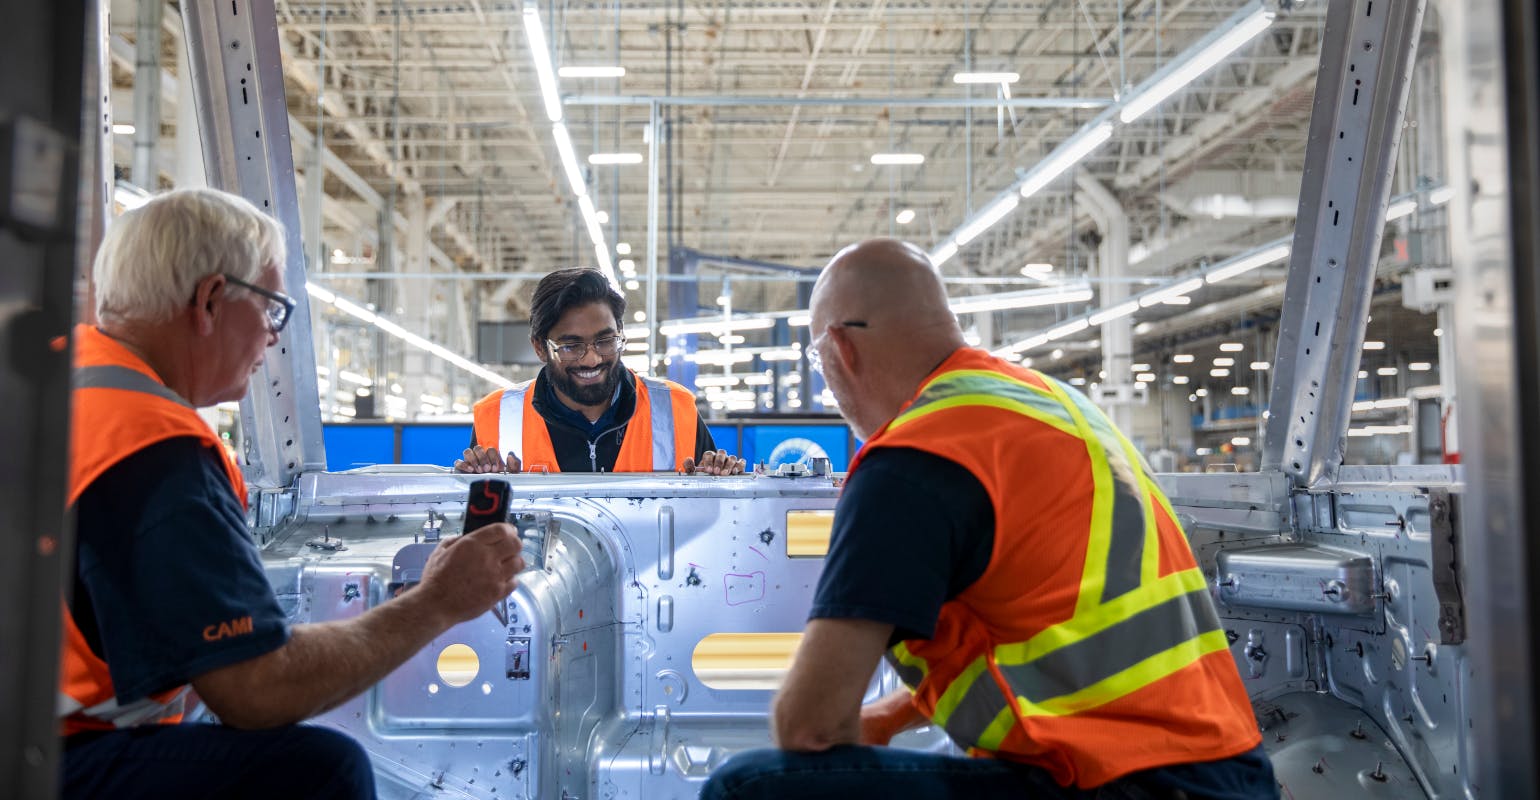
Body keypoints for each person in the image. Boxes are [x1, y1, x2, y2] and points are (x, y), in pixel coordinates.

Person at [700, 240, 1275, 799]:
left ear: (839, 350)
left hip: (1115, 783)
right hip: (1232, 772)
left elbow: (810, 728)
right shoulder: (1053, 404)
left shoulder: (911, 459)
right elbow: (1050, 634)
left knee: (749, 787)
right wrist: (894, 716)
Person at [61, 188, 525, 799]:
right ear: (210, 300)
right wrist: (438, 601)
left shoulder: (60, 379)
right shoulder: (154, 449)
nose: (275, 338)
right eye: (273, 310)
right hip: (55, 757)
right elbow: (256, 690)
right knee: (320, 770)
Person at [458, 267, 745, 475]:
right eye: (571, 346)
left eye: (605, 341)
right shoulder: (498, 416)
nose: (592, 358)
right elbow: (478, 541)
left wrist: (721, 480)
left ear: (620, 334)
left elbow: (707, 521)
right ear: (539, 347)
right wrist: (479, 492)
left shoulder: (674, 408)